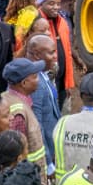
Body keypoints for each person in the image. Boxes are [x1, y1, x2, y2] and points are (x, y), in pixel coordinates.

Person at [1, 58, 49, 173]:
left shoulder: (4, 97)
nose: (38, 80)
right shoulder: (19, 113)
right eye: (35, 77)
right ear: (24, 83)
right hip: (28, 178)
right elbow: (17, 156)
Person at [23, 34, 62, 167]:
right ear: (37, 55)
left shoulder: (41, 75)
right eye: (51, 53)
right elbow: (36, 126)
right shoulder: (35, 83)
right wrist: (48, 163)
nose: (56, 56)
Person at [37, 0, 76, 98]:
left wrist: (68, 82)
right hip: (46, 79)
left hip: (62, 77)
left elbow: (67, 51)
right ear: (41, 4)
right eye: (51, 3)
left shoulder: (62, 22)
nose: (56, 7)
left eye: (58, 4)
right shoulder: (37, 23)